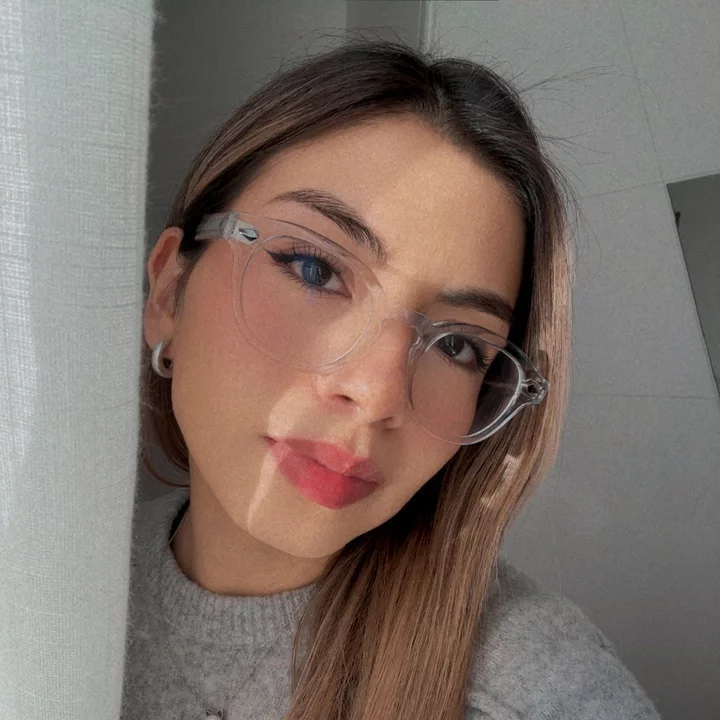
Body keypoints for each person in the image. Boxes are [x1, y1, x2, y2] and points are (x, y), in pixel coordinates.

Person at [121, 39, 661, 720]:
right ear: (170, 292)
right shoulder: (59, 566)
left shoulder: (531, 684)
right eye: (315, 269)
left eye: (459, 345)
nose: (377, 394)